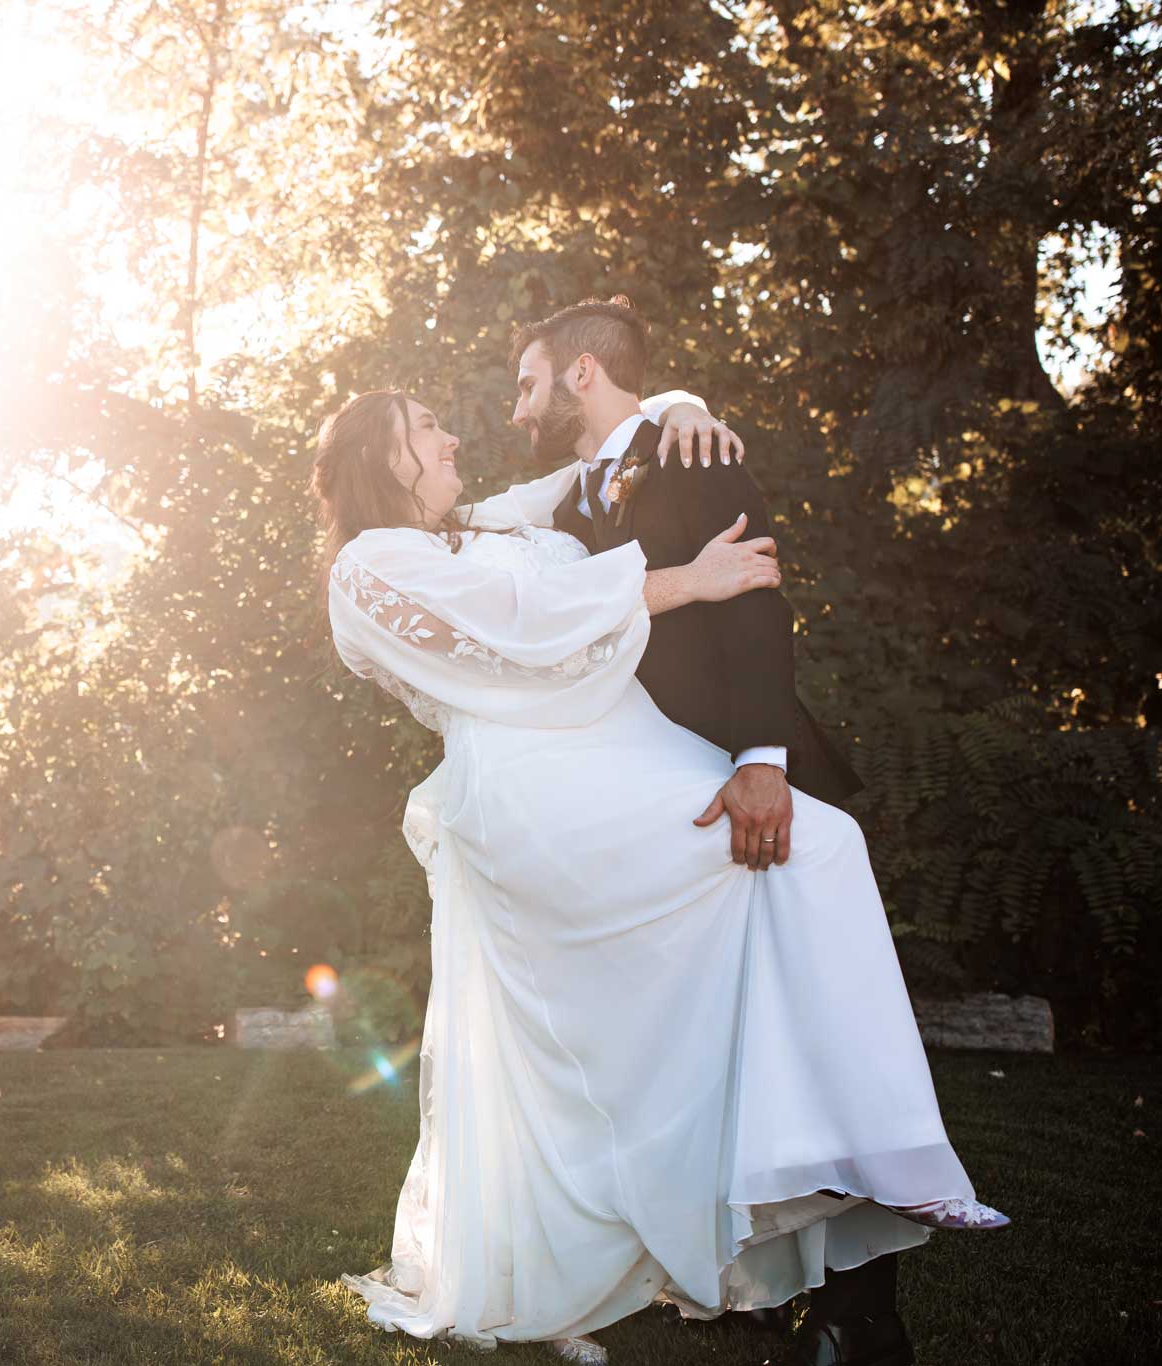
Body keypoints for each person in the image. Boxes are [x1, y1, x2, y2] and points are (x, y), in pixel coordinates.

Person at [315, 377, 1006, 1365]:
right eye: (427, 428)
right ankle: (852, 1194)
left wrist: (677, 402)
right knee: (810, 853)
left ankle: (823, 1204)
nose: (453, 436)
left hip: (632, 759)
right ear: (380, 455)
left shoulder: (480, 524)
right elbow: (528, 623)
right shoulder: (370, 565)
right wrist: (692, 580)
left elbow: (592, 461)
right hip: (547, 789)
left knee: (786, 888)